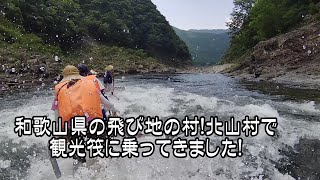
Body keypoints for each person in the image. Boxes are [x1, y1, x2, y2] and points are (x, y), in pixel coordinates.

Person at [51, 65, 119, 163]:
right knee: (100, 153)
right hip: (93, 123)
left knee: (78, 155)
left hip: (73, 126)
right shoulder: (89, 84)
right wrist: (114, 109)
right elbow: (105, 102)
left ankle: (79, 173)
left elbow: (57, 116)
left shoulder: (60, 90)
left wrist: (59, 132)